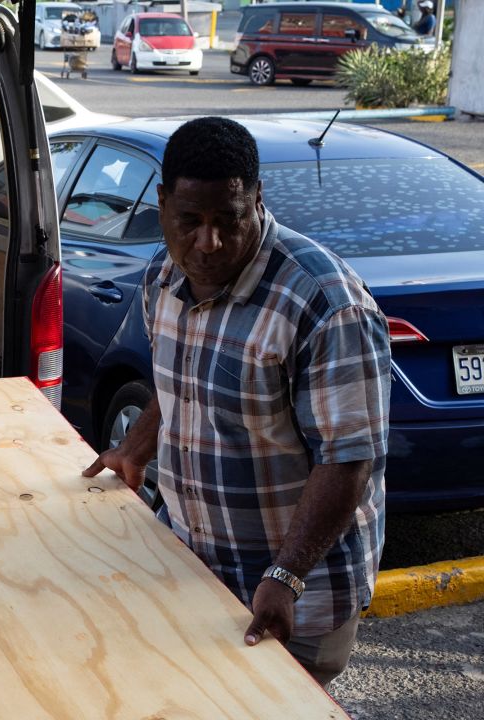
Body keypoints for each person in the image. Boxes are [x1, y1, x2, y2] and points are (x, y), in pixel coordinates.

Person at [83, 117, 390, 688]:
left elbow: (349, 460)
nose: (208, 243)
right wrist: (135, 447)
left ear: (256, 199)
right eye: (190, 221)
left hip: (294, 594)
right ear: (161, 203)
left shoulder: (326, 304)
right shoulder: (162, 276)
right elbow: (182, 382)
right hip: (193, 570)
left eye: (229, 220)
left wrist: (287, 575)